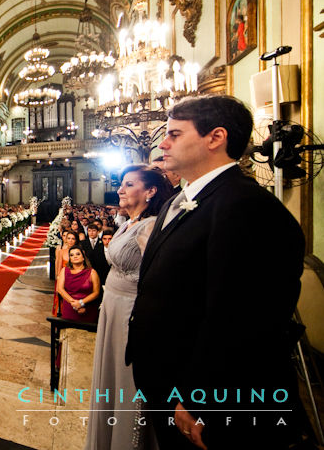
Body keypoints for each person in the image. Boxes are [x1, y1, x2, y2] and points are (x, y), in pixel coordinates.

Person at [126, 95, 305, 449]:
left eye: (175, 134)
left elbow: (243, 319)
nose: (163, 143)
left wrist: (198, 397)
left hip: (205, 397)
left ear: (215, 138)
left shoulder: (247, 207)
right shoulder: (184, 199)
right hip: (166, 376)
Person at [83, 165, 171, 450]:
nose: (119, 189)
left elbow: (156, 275)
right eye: (121, 184)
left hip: (129, 309)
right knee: (110, 373)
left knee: (126, 376)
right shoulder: (128, 223)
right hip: (112, 304)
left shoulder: (149, 226)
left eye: (129, 184)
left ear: (150, 191)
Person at [56, 246, 100, 323]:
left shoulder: (92, 272)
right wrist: (74, 303)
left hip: (87, 308)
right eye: (71, 255)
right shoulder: (64, 271)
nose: (75, 256)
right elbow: (60, 289)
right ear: (70, 259)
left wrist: (81, 303)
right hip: (69, 308)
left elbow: (96, 292)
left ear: (83, 257)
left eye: (78, 254)